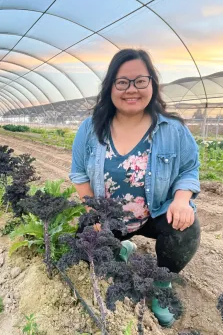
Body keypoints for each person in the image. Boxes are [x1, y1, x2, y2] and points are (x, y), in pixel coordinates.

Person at [69, 49, 201, 327]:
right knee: (85, 249)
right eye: (122, 82)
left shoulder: (173, 130)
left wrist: (181, 199)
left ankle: (161, 285)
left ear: (152, 84)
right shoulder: (90, 128)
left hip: (155, 215)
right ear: (111, 87)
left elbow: (189, 168)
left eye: (140, 81)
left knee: (185, 227)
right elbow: (79, 173)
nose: (132, 89)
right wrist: (92, 212)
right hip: (110, 217)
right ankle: (120, 248)